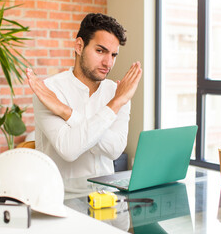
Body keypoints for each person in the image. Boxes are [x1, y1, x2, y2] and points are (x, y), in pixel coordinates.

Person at [26, 13, 142, 183]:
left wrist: (67, 112)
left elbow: (115, 150)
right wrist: (114, 107)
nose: (108, 63)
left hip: (106, 197)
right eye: (100, 51)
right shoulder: (49, 91)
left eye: (113, 55)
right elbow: (69, 150)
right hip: (60, 199)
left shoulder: (118, 94)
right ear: (79, 46)